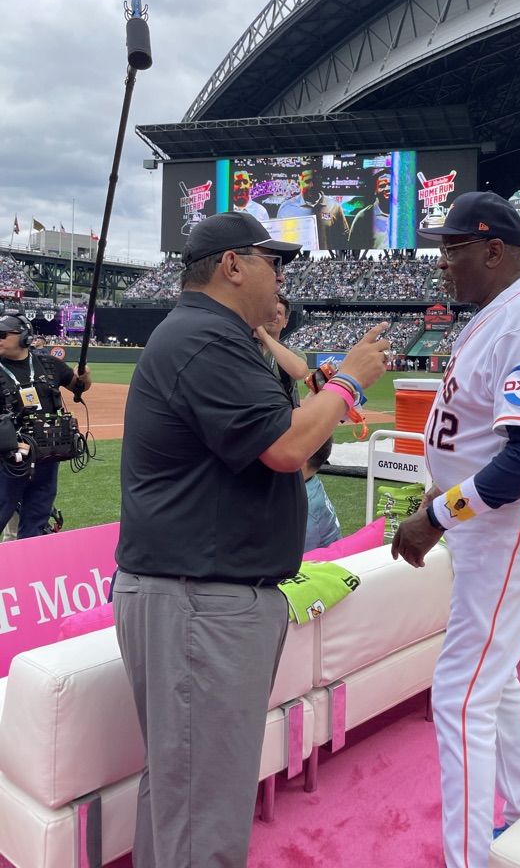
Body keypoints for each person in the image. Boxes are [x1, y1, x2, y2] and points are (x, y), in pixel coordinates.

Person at [113, 211, 389, 868]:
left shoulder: (210, 334)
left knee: (185, 791)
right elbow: (287, 447)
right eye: (274, 263)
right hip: (200, 600)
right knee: (203, 807)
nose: (282, 277)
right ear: (233, 265)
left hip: (201, 595)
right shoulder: (205, 338)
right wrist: (349, 381)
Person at [391, 192, 520, 867]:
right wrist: (444, 488)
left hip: (513, 523)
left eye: (453, 249)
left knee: (459, 695)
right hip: (500, 522)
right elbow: (479, 433)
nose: (442, 263)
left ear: (493, 249)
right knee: (491, 678)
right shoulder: (504, 310)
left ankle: (466, 858)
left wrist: (436, 516)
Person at [0, 312, 91, 539]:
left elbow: (78, 387)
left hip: (47, 457)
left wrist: (84, 378)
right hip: (9, 460)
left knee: (36, 520)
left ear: (24, 337)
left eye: (2, 334)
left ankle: (27, 561)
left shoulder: (49, 364)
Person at [255, 291, 308, 405]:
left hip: (280, 414)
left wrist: (264, 336)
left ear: (285, 323)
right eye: (269, 310)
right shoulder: (244, 347)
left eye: (278, 312)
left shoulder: (293, 352)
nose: (273, 315)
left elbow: (299, 372)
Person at [277, 169, 349, 248]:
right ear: (299, 184)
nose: (312, 185)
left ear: (320, 181)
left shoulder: (334, 206)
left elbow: (344, 235)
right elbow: (279, 242)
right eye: (307, 181)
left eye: (315, 180)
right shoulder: (286, 209)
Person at [303, 436, 342, 552]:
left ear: (299, 460)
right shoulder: (309, 481)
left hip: (316, 560)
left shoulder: (304, 507)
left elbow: (298, 557)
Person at [348, 170, 391, 247]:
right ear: (375, 191)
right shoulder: (363, 216)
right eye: (382, 186)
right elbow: (353, 245)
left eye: (390, 184)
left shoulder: (405, 214)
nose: (387, 188)